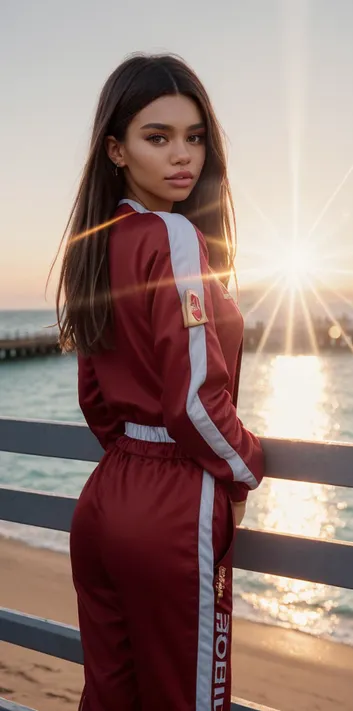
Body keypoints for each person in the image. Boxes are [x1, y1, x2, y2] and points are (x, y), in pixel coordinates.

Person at [53, 53, 265, 711]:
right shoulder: (173, 234)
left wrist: (131, 462)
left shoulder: (96, 242)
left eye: (195, 137)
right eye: (158, 136)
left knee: (111, 697)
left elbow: (94, 393)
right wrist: (245, 468)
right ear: (116, 149)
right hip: (172, 505)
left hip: (104, 500)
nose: (184, 156)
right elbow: (195, 400)